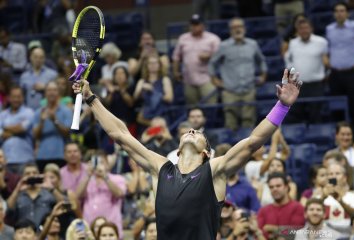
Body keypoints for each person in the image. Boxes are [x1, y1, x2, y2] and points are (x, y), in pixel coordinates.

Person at [72, 66, 302, 240]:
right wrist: (91, 98)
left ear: (206, 152)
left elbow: (253, 142)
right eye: (188, 131)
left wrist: (282, 106)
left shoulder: (214, 171)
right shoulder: (160, 167)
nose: (192, 130)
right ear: (179, 148)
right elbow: (120, 135)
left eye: (199, 134)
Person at [209, 17, 267, 129]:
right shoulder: (223, 46)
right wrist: (214, 79)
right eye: (234, 27)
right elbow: (212, 63)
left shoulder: (253, 44)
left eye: (239, 27)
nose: (237, 30)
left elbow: (261, 60)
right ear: (230, 30)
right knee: (230, 122)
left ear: (244, 28)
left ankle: (248, 146)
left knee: (249, 120)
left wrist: (263, 75)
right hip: (230, 90)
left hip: (249, 89)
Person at [285, 19, 328, 123]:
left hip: (316, 85)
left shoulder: (321, 42)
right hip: (298, 85)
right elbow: (289, 60)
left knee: (316, 114)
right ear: (297, 31)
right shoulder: (293, 43)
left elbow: (327, 61)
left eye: (306, 28)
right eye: (301, 29)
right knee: (296, 114)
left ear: (311, 29)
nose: (304, 31)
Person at [76, 151, 127, 239]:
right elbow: (78, 195)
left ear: (107, 164)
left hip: (111, 228)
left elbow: (119, 193)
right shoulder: (85, 180)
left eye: (101, 162)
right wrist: (88, 175)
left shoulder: (117, 179)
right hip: (90, 227)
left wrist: (105, 176)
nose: (98, 165)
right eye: (95, 162)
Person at [172, 14, 220, 105]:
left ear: (203, 25)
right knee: (192, 111)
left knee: (210, 108)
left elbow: (220, 57)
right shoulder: (183, 38)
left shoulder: (213, 39)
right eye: (192, 24)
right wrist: (175, 71)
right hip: (189, 80)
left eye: (196, 24)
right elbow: (176, 57)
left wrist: (209, 56)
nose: (193, 27)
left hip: (208, 79)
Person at [326, 2, 354, 131]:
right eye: (337, 11)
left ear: (347, 13)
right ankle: (340, 138)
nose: (339, 13)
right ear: (334, 14)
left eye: (342, 10)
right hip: (336, 74)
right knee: (336, 109)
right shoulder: (329, 29)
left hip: (353, 73)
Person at [32, 81, 72, 171]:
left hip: (61, 155)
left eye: (54, 90)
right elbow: (35, 136)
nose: (51, 93)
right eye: (49, 90)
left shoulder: (66, 111)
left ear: (58, 92)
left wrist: (55, 120)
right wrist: (42, 121)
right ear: (45, 93)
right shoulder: (38, 112)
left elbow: (67, 133)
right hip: (42, 156)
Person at [6, 163, 56, 227]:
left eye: (34, 173)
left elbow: (64, 206)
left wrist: (52, 189)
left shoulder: (48, 194)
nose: (32, 175)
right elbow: (7, 211)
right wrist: (17, 190)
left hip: (44, 232)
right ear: (22, 177)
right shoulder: (17, 195)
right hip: (25, 233)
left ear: (39, 175)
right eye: (27, 174)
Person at [257, 172, 305, 239]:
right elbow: (260, 233)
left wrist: (275, 229)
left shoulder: (297, 207)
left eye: (278, 186)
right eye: (271, 187)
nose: (275, 189)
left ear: (286, 187)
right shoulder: (263, 210)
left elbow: (297, 232)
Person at [133, 55, 173, 126]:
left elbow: (169, 98)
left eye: (155, 63)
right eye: (150, 63)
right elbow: (135, 97)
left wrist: (153, 90)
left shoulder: (165, 79)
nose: (153, 65)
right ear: (147, 66)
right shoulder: (142, 81)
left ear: (159, 65)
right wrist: (140, 89)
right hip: (146, 116)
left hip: (161, 113)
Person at [0, 86, 35, 167]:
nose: (16, 99)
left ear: (23, 98)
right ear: (9, 98)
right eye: (13, 97)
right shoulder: (2, 114)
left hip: (25, 159)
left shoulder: (29, 112)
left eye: (18, 97)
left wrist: (5, 127)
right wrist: (15, 129)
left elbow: (21, 129)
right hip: (6, 159)